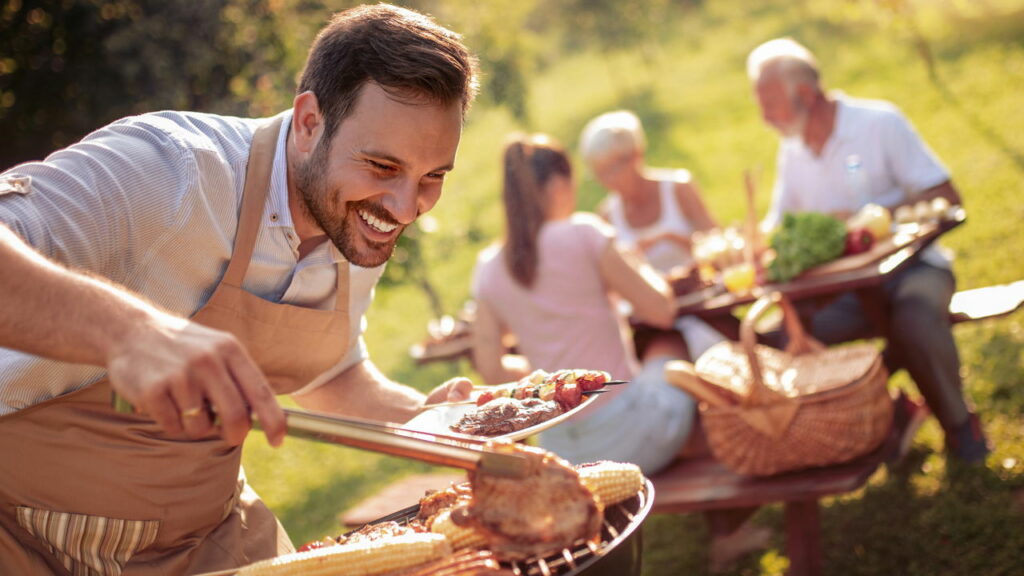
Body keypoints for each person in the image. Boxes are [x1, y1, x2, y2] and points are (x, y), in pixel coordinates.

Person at [0, 4, 479, 573]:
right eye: (381, 166)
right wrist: (130, 332)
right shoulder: (166, 171)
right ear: (308, 123)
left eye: (432, 178)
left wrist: (430, 417)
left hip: (202, 542)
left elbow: (332, 375)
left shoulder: (357, 221)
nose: (404, 208)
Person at [746, 37, 990, 464]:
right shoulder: (793, 149)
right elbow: (777, 225)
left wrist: (871, 217)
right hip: (845, 288)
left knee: (912, 318)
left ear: (805, 94)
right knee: (787, 339)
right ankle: (889, 412)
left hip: (916, 269)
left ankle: (957, 421)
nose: (763, 118)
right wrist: (757, 245)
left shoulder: (879, 123)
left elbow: (946, 195)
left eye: (769, 104)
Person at [470, 132, 696, 475]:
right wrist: (636, 260)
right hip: (632, 440)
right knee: (671, 342)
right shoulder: (583, 234)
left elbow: (490, 369)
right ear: (558, 184)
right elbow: (661, 311)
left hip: (562, 454)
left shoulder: (489, 267)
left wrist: (546, 369)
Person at [578, 110, 728, 362]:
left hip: (705, 308)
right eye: (599, 174)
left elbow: (721, 247)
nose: (607, 182)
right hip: (652, 325)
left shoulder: (678, 188)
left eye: (612, 170)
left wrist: (671, 238)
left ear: (636, 155)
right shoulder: (606, 215)